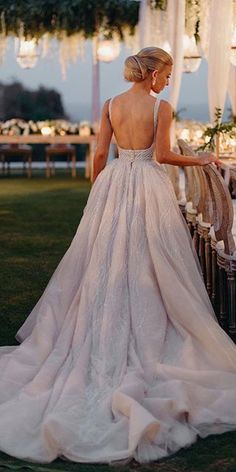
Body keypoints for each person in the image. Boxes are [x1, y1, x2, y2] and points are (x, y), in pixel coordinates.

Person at [0, 47, 236, 465]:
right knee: (152, 255)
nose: (167, 80)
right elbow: (162, 156)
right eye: (166, 73)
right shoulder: (160, 107)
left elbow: (98, 155)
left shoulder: (111, 105)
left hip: (113, 183)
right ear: (152, 73)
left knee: (106, 253)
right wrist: (199, 158)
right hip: (146, 181)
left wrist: (98, 192)